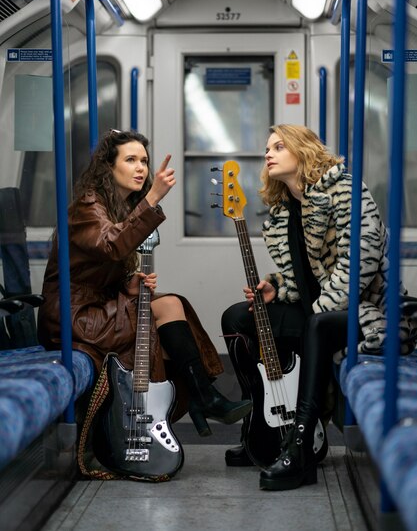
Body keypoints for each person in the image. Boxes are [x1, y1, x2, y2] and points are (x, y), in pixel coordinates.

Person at [221, 124, 416, 491]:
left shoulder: (346, 191)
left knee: (318, 325)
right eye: (267, 148)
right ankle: (262, 428)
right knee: (236, 317)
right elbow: (300, 275)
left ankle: (301, 445)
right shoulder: (283, 208)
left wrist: (318, 309)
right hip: (318, 311)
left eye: (279, 146)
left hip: (368, 312)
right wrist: (276, 288)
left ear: (303, 150)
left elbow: (361, 263)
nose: (268, 154)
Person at [38, 129, 252, 441]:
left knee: (170, 303)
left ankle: (202, 398)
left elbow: (102, 264)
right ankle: (202, 398)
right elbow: (111, 245)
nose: (142, 168)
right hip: (74, 316)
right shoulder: (88, 206)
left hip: (95, 308)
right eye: (131, 160)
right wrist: (152, 198)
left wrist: (130, 285)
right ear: (109, 168)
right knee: (165, 309)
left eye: (145, 161)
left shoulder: (118, 208)